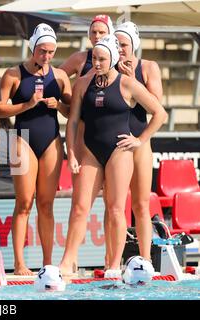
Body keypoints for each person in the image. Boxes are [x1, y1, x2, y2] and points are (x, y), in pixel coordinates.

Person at [59, 35, 167, 276]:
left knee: (116, 208)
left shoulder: (127, 84)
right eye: (95, 58)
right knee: (79, 207)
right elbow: (73, 120)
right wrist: (72, 153)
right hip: (90, 151)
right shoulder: (83, 83)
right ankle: (68, 261)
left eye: (102, 59)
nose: (97, 63)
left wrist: (139, 139)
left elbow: (160, 113)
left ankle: (114, 264)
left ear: (113, 59)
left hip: (119, 151)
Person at [0, 23, 71, 275]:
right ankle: (19, 263)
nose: (47, 56)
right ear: (33, 48)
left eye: (51, 52)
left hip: (50, 139)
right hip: (23, 138)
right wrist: (27, 105)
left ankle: (48, 263)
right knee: (24, 202)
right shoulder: (13, 75)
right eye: (42, 51)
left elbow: (74, 111)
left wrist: (59, 105)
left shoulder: (60, 77)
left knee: (46, 204)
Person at [101, 22, 163, 268]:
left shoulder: (148, 67)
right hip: (115, 144)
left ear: (134, 45)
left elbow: (156, 104)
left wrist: (131, 80)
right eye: (116, 44)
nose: (120, 49)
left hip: (139, 140)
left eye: (124, 44)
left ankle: (145, 260)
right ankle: (110, 262)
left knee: (140, 203)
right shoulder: (108, 67)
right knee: (113, 206)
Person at [59, 14, 114, 271]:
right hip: (84, 135)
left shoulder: (117, 66)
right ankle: (71, 258)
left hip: (114, 138)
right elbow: (57, 77)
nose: (97, 37)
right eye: (93, 32)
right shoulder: (81, 60)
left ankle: (111, 259)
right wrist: (68, 100)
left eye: (101, 32)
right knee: (80, 202)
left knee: (114, 205)